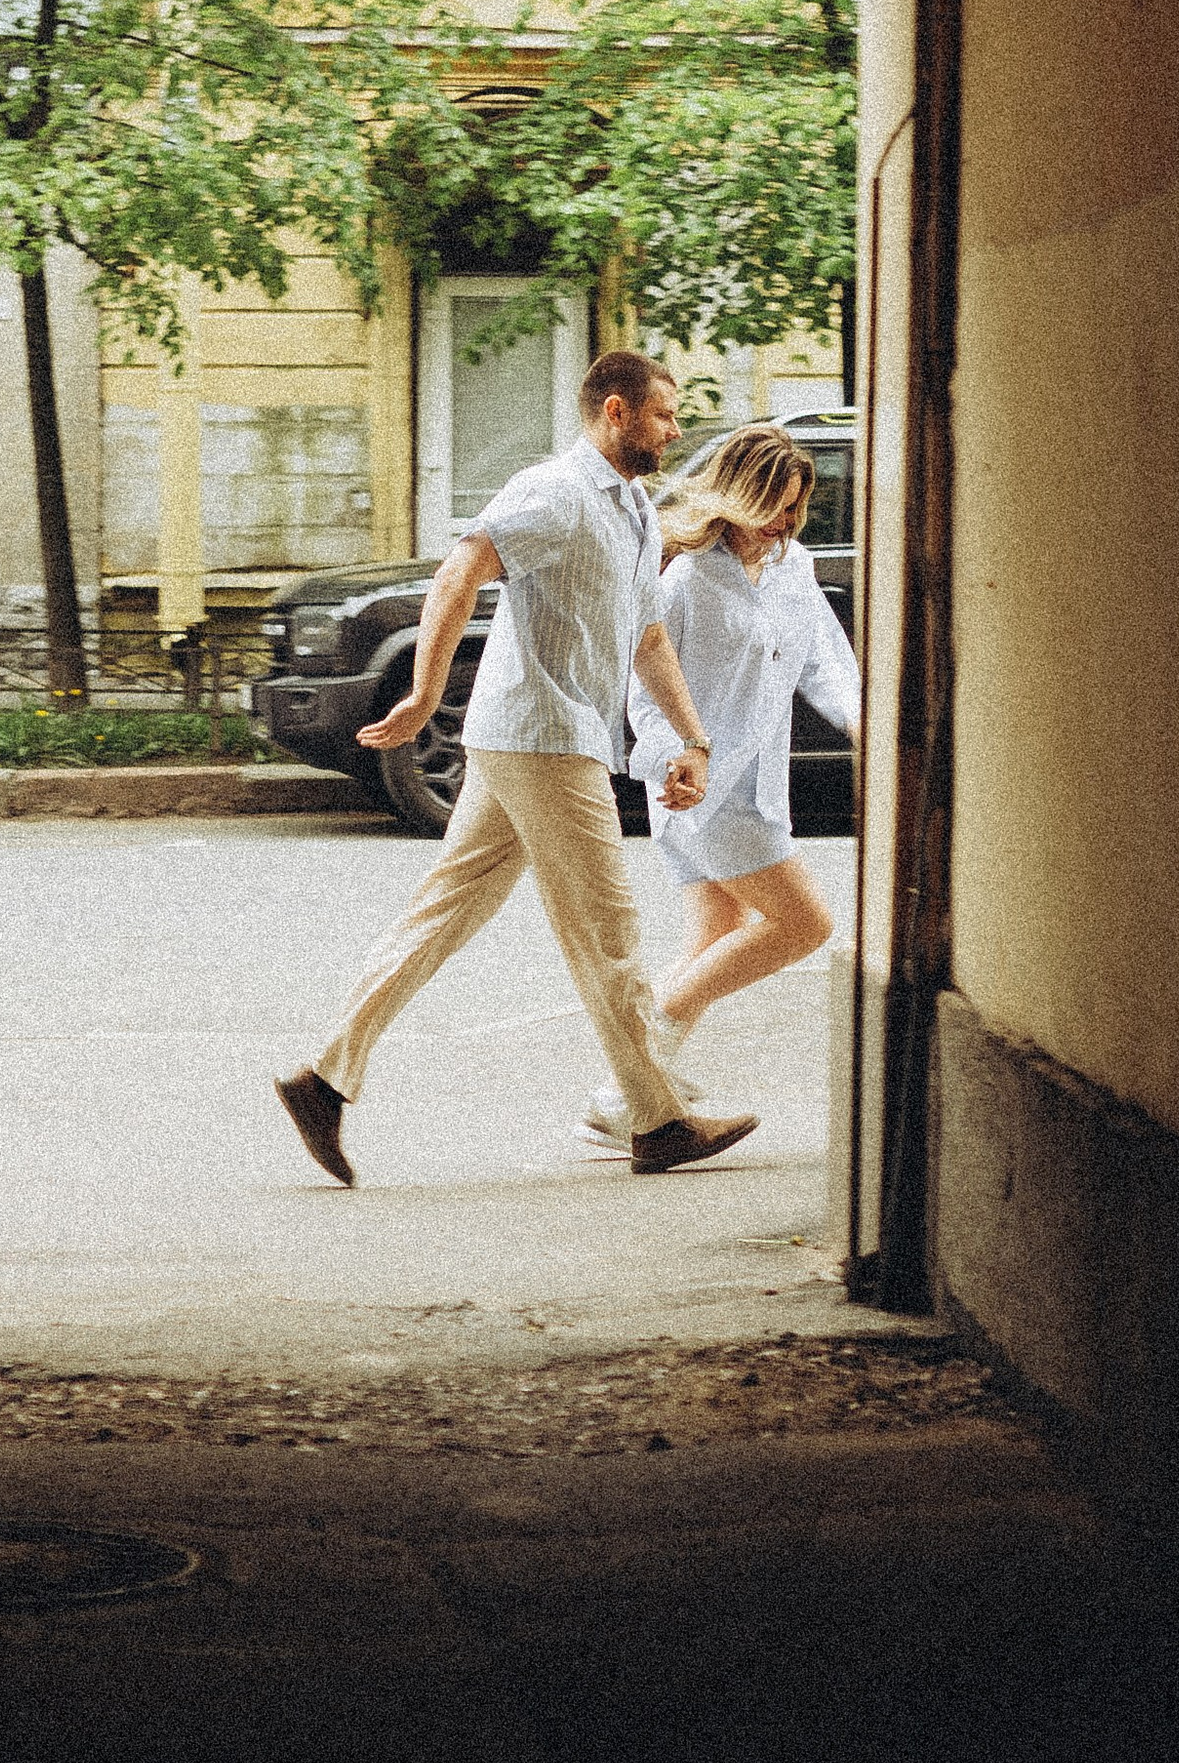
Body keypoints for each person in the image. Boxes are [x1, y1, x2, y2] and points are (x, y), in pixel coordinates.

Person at [272, 350, 760, 1184]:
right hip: (542, 734)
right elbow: (463, 566)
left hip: (537, 735)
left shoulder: (634, 509)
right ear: (616, 411)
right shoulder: (557, 492)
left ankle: (323, 1079)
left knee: (445, 912)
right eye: (665, 416)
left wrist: (694, 737)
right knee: (606, 933)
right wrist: (425, 694)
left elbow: (646, 636)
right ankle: (658, 1119)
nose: (675, 432)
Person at [580, 420, 861, 1150]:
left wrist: (867, 726)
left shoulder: (791, 568)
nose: (784, 523)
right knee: (805, 926)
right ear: (736, 494)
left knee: (717, 934)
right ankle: (631, 1084)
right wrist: (675, 753)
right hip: (700, 785)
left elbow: (824, 661)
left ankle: (634, 1095)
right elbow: (642, 683)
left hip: (756, 782)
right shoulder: (686, 577)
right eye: (775, 505)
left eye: (797, 509)